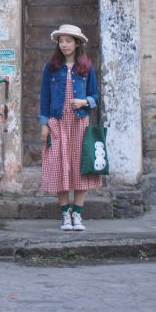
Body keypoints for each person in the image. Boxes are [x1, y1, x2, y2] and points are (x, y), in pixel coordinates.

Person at [39, 23, 102, 231]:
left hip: (79, 122)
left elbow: (95, 96)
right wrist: (44, 123)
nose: (64, 44)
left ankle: (78, 215)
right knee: (59, 166)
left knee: (80, 167)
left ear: (76, 43)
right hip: (57, 122)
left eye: (68, 41)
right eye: (61, 41)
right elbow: (44, 97)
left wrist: (84, 102)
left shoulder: (85, 67)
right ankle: (65, 215)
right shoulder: (52, 67)